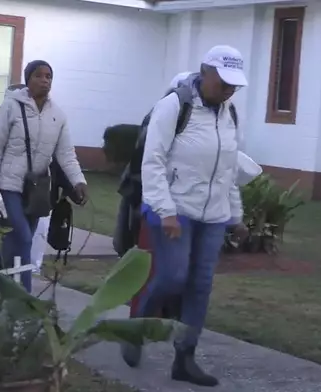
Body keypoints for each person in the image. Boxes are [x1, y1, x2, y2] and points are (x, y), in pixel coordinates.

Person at [125, 45, 250, 387]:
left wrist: (235, 216)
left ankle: (185, 357)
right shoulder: (175, 106)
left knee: (200, 286)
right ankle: (135, 326)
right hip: (174, 209)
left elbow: (227, 172)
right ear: (204, 72)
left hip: (213, 216)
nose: (228, 90)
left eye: (233, 85)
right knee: (172, 278)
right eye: (223, 82)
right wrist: (165, 211)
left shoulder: (230, 113)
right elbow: (152, 162)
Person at [0, 60, 88, 293]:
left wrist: (79, 180)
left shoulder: (57, 115)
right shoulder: (11, 106)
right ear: (28, 79)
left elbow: (65, 154)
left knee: (16, 240)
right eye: (39, 76)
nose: (45, 81)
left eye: (49, 76)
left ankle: (6, 285)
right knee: (24, 237)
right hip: (10, 183)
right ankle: (26, 296)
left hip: (38, 188)